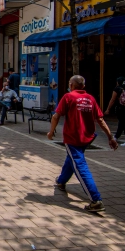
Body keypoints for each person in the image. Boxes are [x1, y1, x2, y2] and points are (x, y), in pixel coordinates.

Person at [47, 75, 118, 212]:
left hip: (73, 138)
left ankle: (95, 199)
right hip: (87, 137)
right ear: (83, 86)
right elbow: (100, 120)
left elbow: (56, 116)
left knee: (79, 165)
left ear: (71, 85)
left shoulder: (68, 97)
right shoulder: (90, 99)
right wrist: (110, 137)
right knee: (72, 159)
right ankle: (61, 181)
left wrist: (51, 132)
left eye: (69, 84)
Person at [104, 77, 125, 148]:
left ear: (118, 82)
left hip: (121, 109)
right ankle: (115, 137)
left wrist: (108, 109)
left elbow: (113, 99)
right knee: (122, 123)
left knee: (124, 125)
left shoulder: (117, 89)